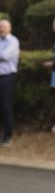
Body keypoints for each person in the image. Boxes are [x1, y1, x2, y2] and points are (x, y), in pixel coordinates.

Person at [0, 18, 19, 148]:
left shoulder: (13, 41)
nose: (1, 29)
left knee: (6, 106)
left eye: (3, 27)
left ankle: (7, 136)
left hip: (7, 77)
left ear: (10, 28)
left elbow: (5, 56)